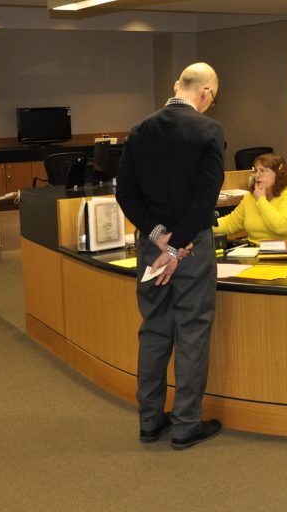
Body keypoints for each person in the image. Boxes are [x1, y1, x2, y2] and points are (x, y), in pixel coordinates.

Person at [115, 62, 226, 450]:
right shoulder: (209, 130)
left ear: (176, 85)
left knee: (154, 330)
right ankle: (185, 425)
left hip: (151, 247)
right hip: (191, 249)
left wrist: (160, 237)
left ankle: (149, 421)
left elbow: (125, 193)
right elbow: (205, 198)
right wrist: (179, 246)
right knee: (192, 332)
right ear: (207, 93)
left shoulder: (140, 129)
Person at [214, 152, 287, 247]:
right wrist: (203, 225)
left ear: (279, 174)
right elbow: (230, 223)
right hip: (258, 252)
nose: (257, 175)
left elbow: (282, 227)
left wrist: (261, 200)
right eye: (255, 171)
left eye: (262, 171)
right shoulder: (250, 196)